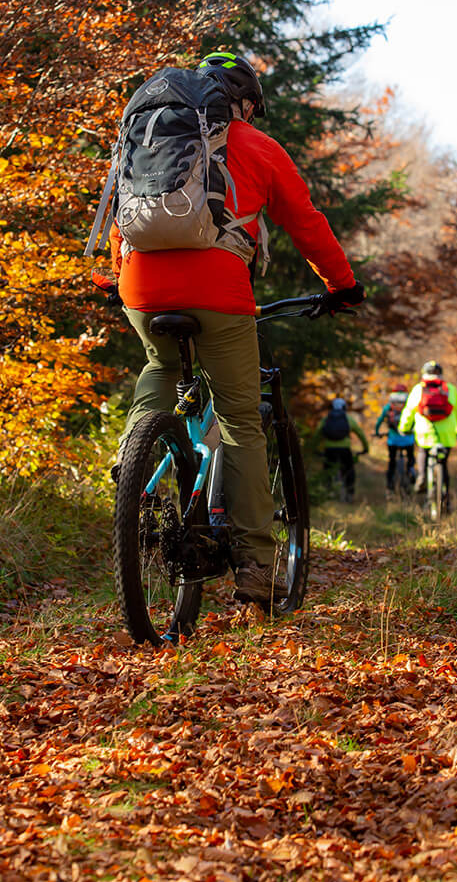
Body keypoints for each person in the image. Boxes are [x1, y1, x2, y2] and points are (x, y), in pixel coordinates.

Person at [93, 51, 364, 605]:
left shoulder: (153, 135)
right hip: (218, 290)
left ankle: (134, 459)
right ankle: (256, 569)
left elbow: (128, 212)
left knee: (161, 366)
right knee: (242, 419)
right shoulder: (256, 147)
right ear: (242, 102)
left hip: (141, 286)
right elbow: (306, 223)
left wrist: (121, 274)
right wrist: (341, 284)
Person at [398, 361, 457, 494]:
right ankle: (445, 501)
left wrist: (403, 428)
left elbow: (409, 411)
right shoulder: (450, 389)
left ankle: (422, 476)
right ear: (440, 374)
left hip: (425, 432)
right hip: (446, 434)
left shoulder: (418, 389)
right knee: (443, 464)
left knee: (423, 451)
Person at [313, 397, 369, 500]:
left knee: (328, 470)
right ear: (344, 407)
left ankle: (328, 492)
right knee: (349, 470)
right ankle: (350, 493)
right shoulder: (348, 419)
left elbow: (317, 434)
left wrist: (314, 448)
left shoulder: (326, 419)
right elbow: (360, 433)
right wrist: (366, 448)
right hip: (344, 449)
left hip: (329, 449)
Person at [375, 388, 416, 492]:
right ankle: (411, 471)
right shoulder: (409, 406)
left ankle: (389, 486)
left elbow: (379, 421)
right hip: (408, 440)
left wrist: (376, 432)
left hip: (393, 441)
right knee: (411, 458)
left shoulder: (388, 407)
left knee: (392, 462)